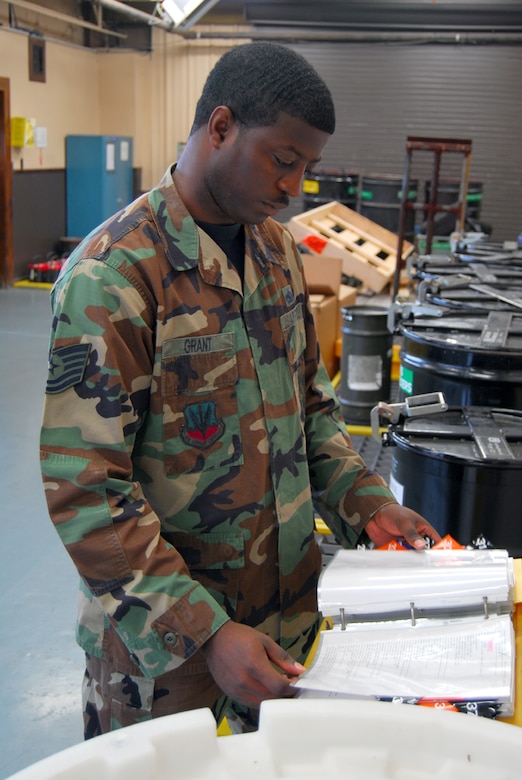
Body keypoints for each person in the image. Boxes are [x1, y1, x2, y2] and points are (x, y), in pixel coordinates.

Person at [40, 41, 440, 738]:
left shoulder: (277, 252)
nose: (295, 189)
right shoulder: (116, 277)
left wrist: (367, 504)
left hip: (282, 631)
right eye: (283, 161)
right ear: (220, 127)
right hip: (167, 663)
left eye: (308, 170)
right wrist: (204, 632)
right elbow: (86, 489)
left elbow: (311, 411)